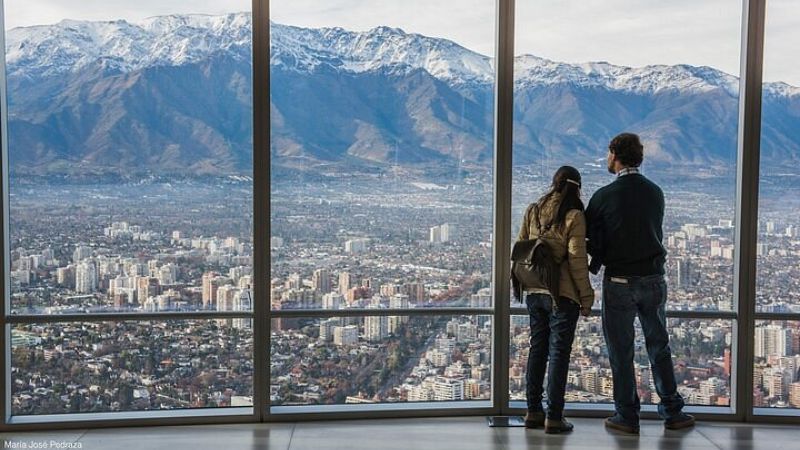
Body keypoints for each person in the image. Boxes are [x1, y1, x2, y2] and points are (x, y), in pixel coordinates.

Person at [586, 132, 695, 434]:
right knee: (658, 345)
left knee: (621, 351)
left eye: (608, 154)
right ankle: (672, 411)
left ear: (614, 154)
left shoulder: (603, 196)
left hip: (619, 281)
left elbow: (591, 238)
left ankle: (627, 415)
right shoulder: (655, 192)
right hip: (653, 279)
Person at [517, 165, 594, 434]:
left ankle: (532, 411)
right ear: (577, 188)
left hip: (534, 291)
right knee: (559, 353)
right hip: (562, 296)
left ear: (554, 183)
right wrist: (587, 297)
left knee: (537, 349)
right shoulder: (574, 216)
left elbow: (522, 248)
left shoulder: (534, 210)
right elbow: (577, 262)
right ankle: (554, 417)